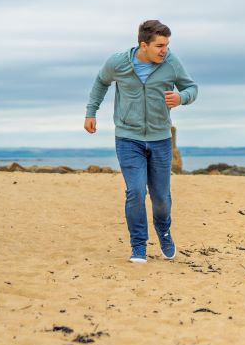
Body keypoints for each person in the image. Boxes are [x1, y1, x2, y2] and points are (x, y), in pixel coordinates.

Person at [84, 20, 198, 263]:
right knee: (135, 192)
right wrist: (91, 113)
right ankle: (138, 245)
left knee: (161, 197)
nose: (164, 50)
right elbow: (100, 82)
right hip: (128, 138)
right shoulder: (118, 62)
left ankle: (164, 231)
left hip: (160, 139)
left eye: (166, 45)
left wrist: (181, 98)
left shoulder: (171, 62)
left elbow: (191, 88)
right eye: (159, 46)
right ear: (143, 45)